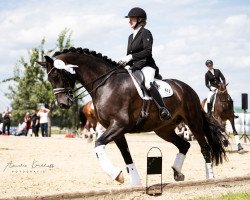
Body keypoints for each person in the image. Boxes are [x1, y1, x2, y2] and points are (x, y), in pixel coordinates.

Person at [119, 7, 171, 120]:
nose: (129, 21)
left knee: (147, 84)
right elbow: (129, 53)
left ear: (140, 19)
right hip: (135, 66)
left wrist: (131, 57)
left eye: (132, 19)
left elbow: (147, 52)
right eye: (129, 19)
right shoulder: (130, 37)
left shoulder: (146, 33)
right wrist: (126, 63)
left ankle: (163, 109)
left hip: (147, 65)